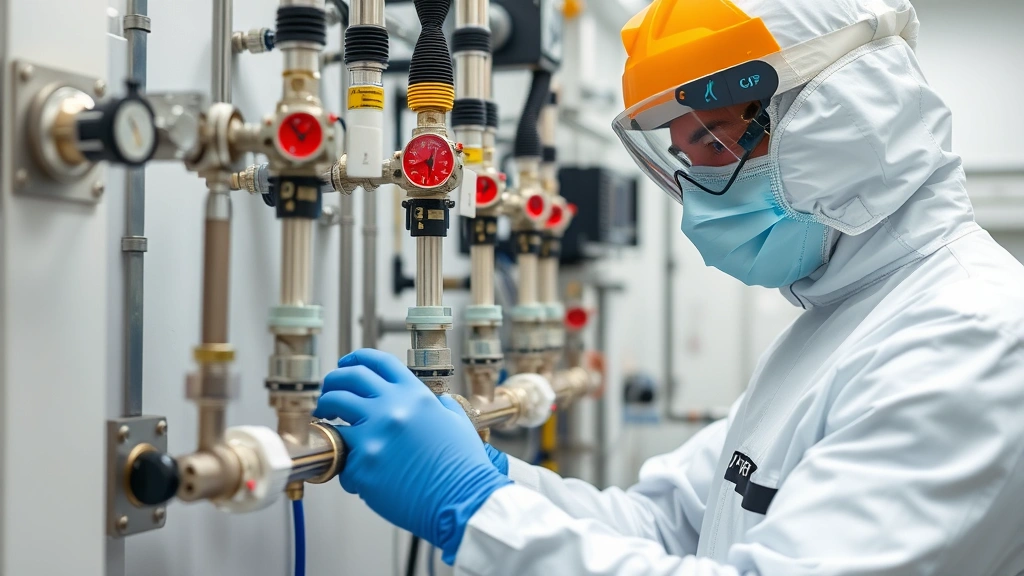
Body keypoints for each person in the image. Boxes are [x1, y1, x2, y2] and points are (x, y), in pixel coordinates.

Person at [313, 0, 1024, 573]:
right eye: (683, 158)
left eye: (714, 142)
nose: (701, 199)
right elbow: (665, 523)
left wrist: (470, 507)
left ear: (845, 113)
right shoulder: (834, 326)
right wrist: (490, 473)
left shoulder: (972, 336)